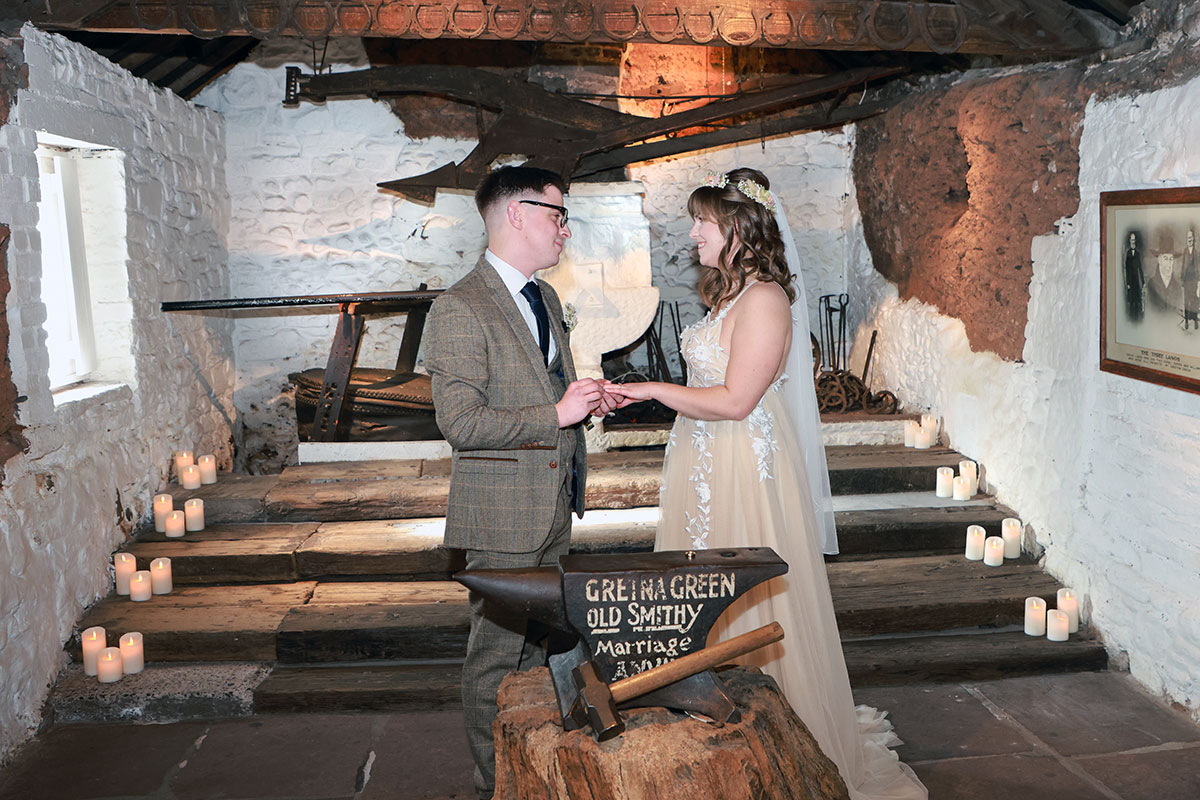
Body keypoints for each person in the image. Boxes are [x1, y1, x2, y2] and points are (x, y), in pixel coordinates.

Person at [605, 168, 927, 800]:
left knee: (745, 594)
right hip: (706, 460)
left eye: (702, 221)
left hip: (743, 467)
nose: (692, 233)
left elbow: (735, 400)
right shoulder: (727, 296)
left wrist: (646, 389)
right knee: (701, 593)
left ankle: (778, 740)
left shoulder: (765, 300)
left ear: (736, 228)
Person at [424, 165, 611, 800]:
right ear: (515, 214)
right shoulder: (459, 307)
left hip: (552, 505)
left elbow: (544, 392)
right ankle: (493, 786)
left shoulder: (546, 299)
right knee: (494, 662)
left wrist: (584, 402)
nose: (564, 230)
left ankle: (533, 776)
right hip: (502, 513)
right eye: (557, 215)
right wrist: (556, 414)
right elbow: (461, 423)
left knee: (540, 655)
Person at [1125, 230, 1145, 323]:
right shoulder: (1128, 253)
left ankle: (1137, 317)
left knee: (1137, 299)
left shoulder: (1137, 253)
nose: (1133, 241)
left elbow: (1140, 267)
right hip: (1130, 280)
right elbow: (1127, 269)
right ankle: (1131, 317)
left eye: (1134, 239)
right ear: (1129, 241)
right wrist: (1128, 283)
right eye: (1131, 239)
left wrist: (1143, 281)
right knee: (1132, 300)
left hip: (1136, 279)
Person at [1182, 229, 1199, 329]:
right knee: (1186, 301)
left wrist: (1198, 281)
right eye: (1188, 238)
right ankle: (1187, 320)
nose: (1189, 239)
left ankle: (1196, 320)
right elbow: (1183, 265)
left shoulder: (1196, 252)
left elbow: (1198, 267)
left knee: (1194, 301)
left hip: (1194, 281)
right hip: (1186, 281)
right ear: (1186, 239)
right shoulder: (1184, 251)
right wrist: (1182, 279)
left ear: (1193, 239)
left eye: (1191, 238)